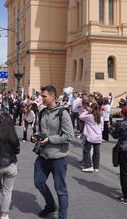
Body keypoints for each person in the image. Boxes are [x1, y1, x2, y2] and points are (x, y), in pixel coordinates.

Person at [32, 85, 74, 219]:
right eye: (41, 96)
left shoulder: (63, 113)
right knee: (38, 182)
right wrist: (36, 136)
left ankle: (62, 216)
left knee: (60, 190)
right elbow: (42, 132)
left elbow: (69, 136)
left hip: (58, 157)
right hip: (43, 155)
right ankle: (51, 205)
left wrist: (50, 139)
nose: (41, 98)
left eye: (44, 96)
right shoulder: (43, 112)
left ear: (53, 96)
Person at [79, 103, 103, 172]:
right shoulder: (100, 117)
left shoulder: (89, 116)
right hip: (98, 137)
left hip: (90, 137)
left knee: (86, 151)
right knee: (96, 152)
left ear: (92, 109)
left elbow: (81, 116)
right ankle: (96, 167)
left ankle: (88, 166)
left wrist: (87, 111)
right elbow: (102, 127)